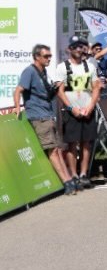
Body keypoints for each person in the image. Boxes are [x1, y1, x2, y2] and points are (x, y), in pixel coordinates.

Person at [14, 44, 74, 192]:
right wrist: (17, 107)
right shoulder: (29, 71)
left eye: (50, 56)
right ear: (37, 57)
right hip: (39, 117)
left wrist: (56, 87)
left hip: (48, 115)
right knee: (52, 151)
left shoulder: (44, 71)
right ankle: (66, 182)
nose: (49, 59)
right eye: (46, 56)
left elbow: (46, 94)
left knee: (57, 150)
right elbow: (18, 90)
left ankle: (69, 179)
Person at [55, 34, 101, 188]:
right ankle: (73, 174)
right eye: (74, 47)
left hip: (87, 110)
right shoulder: (62, 67)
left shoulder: (90, 67)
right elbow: (60, 91)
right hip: (71, 111)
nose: (78, 49)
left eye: (80, 46)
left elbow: (96, 88)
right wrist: (71, 108)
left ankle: (83, 174)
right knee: (72, 144)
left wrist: (91, 106)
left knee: (86, 143)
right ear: (69, 49)